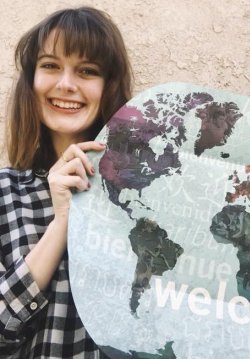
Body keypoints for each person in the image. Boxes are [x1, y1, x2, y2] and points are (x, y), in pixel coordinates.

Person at [0, 7, 133, 358]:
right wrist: (62, 222)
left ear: (109, 86)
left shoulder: (144, 198)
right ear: (31, 80)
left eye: (87, 70)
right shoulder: (3, 193)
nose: (66, 84)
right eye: (50, 65)